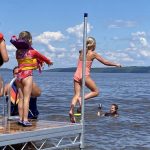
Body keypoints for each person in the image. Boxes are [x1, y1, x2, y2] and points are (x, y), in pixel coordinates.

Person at [69, 36, 121, 123]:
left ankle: (71, 110)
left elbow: (80, 50)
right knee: (96, 91)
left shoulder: (81, 52)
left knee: (76, 94)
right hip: (84, 75)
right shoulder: (93, 54)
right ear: (93, 45)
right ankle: (82, 99)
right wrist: (116, 64)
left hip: (76, 75)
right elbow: (105, 62)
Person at [10, 31, 53, 126]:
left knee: (20, 98)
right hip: (27, 75)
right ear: (30, 40)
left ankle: (20, 119)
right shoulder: (32, 52)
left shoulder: (17, 52)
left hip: (18, 76)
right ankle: (25, 120)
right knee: (26, 99)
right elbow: (44, 58)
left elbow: (23, 62)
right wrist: (49, 62)